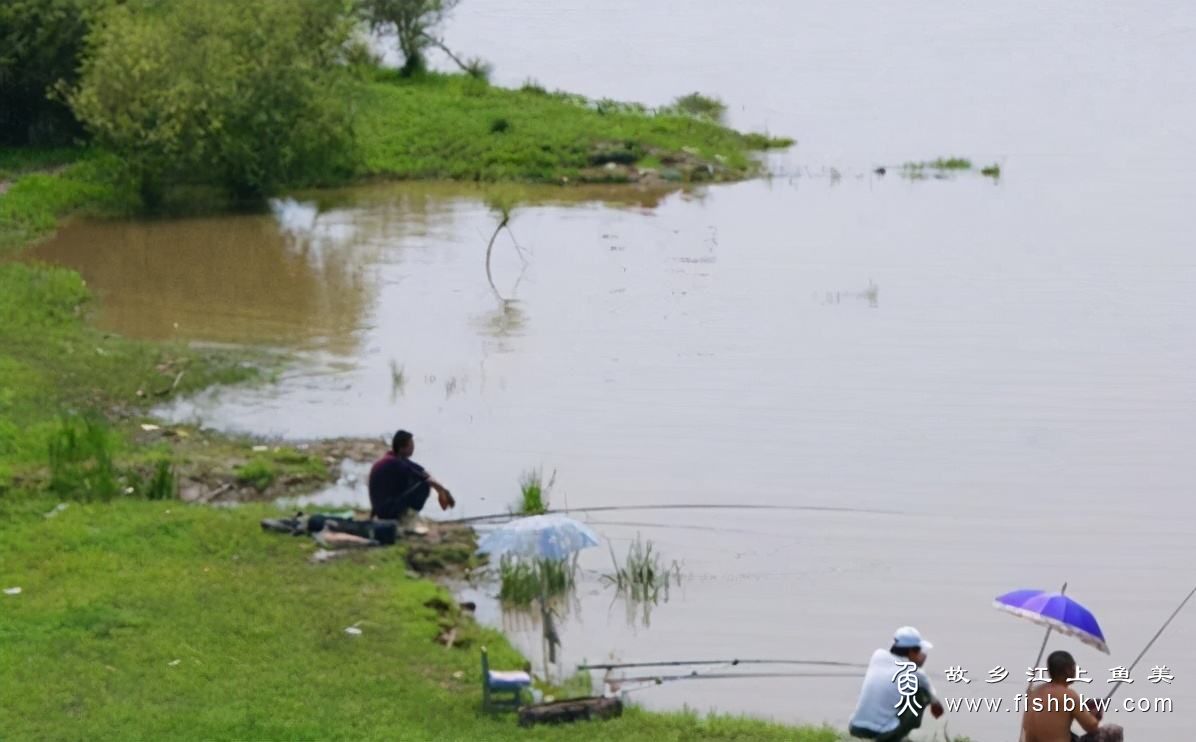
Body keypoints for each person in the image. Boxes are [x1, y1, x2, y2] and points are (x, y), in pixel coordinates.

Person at [849, 626, 944, 741]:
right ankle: (894, 738)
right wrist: (934, 705)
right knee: (921, 694)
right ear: (911, 651)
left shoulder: (877, 656)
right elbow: (935, 701)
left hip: (855, 727)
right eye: (919, 651)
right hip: (881, 733)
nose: (922, 654)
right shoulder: (915, 673)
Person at [1022, 650, 1124, 742]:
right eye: (1074, 667)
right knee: (1114, 732)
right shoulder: (1069, 695)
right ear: (1068, 670)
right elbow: (1091, 726)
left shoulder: (1034, 692)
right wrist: (1094, 716)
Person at [368, 430, 455, 531]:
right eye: (411, 445)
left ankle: (402, 516)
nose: (413, 448)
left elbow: (422, 472)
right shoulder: (394, 463)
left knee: (415, 481)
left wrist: (442, 491)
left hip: (382, 508)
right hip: (385, 510)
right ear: (402, 448)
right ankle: (406, 519)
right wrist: (442, 492)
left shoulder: (396, 458)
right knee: (423, 486)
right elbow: (425, 479)